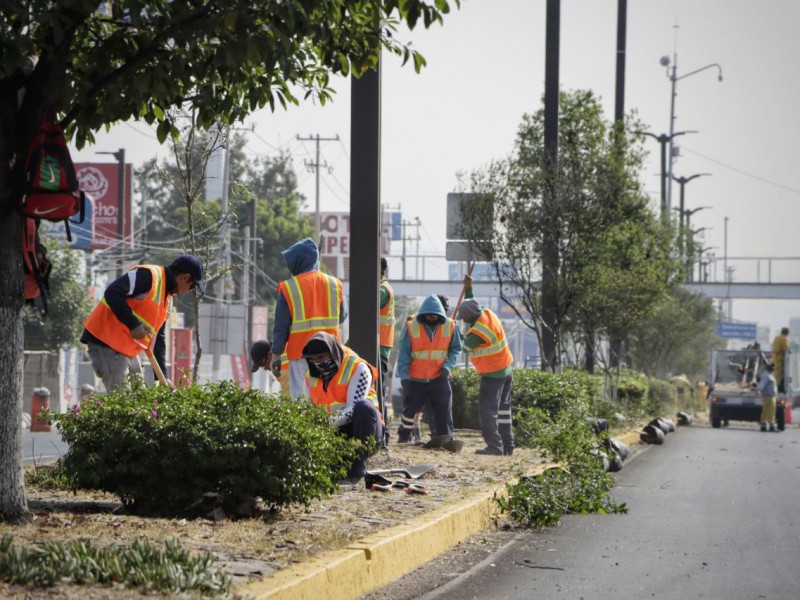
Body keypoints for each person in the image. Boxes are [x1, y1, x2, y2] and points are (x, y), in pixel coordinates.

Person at [81, 255, 205, 392]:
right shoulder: (148, 276)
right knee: (124, 402)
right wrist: (133, 324)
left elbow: (159, 339)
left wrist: (162, 376)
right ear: (185, 278)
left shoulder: (167, 298)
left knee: (140, 399)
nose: (189, 290)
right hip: (106, 342)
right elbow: (112, 292)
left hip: (127, 350)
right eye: (192, 286)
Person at [271, 238, 348, 398]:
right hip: (330, 354)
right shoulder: (335, 284)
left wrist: (276, 355)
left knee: (302, 403)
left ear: (298, 261)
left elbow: (281, 327)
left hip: (300, 356)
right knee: (329, 399)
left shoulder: (289, 287)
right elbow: (342, 316)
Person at [302, 332, 383, 483]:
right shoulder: (310, 377)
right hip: (334, 434)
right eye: (313, 360)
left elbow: (352, 410)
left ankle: (357, 470)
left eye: (321, 357)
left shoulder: (357, 367)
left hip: (364, 429)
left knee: (363, 407)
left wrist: (324, 424)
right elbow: (307, 410)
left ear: (332, 353)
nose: (318, 363)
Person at [457, 276, 514, 456]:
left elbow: (464, 346)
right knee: (504, 410)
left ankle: (494, 447)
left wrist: (453, 330)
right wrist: (469, 288)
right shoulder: (486, 313)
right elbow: (472, 304)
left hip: (493, 374)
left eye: (463, 319)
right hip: (506, 368)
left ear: (468, 318)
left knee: (487, 411)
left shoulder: (478, 332)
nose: (463, 321)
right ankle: (508, 445)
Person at [396, 295, 462, 445]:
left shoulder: (450, 326)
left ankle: (444, 438)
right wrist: (404, 375)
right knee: (410, 410)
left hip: (439, 378)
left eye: (434, 315)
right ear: (423, 314)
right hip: (415, 379)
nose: (431, 318)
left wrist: (448, 366)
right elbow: (404, 354)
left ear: (440, 313)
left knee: (443, 410)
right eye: (428, 315)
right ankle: (404, 436)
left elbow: (456, 349)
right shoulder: (411, 327)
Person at [379, 257, 394, 434]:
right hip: (380, 344)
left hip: (379, 345)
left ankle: (384, 433)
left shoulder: (382, 290)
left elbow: (365, 306)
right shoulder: (383, 288)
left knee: (378, 391)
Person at [757, 362, 778, 432]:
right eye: (772, 367)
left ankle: (764, 425)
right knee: (771, 411)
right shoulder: (766, 375)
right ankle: (771, 425)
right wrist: (757, 388)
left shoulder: (769, 374)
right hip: (769, 396)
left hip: (769, 396)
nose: (773, 368)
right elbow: (761, 385)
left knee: (766, 411)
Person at [771, 327, 790, 393]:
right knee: (779, 373)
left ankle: (774, 384)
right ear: (786, 333)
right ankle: (776, 386)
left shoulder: (777, 337)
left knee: (775, 372)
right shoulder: (784, 338)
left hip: (775, 357)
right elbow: (786, 348)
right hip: (780, 358)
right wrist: (789, 351)